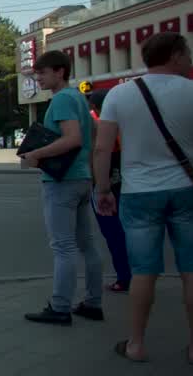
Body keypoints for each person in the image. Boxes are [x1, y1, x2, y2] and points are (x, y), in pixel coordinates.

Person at [94, 32, 193, 365]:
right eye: (189, 53)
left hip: (138, 193)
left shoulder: (120, 95)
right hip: (188, 191)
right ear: (177, 55)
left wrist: (103, 189)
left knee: (143, 272)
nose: (192, 59)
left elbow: (103, 147)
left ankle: (136, 344)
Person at [21, 50, 106, 326]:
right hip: (81, 178)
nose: (39, 79)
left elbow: (73, 139)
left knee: (63, 247)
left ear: (60, 71)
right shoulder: (80, 99)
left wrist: (38, 154)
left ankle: (60, 307)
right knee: (87, 244)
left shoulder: (61, 100)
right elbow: (92, 137)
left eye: (43, 73)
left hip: (62, 181)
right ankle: (93, 302)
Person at [87, 89, 131, 293]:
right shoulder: (126, 122)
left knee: (113, 233)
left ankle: (124, 277)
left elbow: (97, 153)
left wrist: (98, 185)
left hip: (105, 184)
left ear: (94, 107)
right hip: (130, 182)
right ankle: (142, 274)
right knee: (132, 232)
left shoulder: (98, 125)